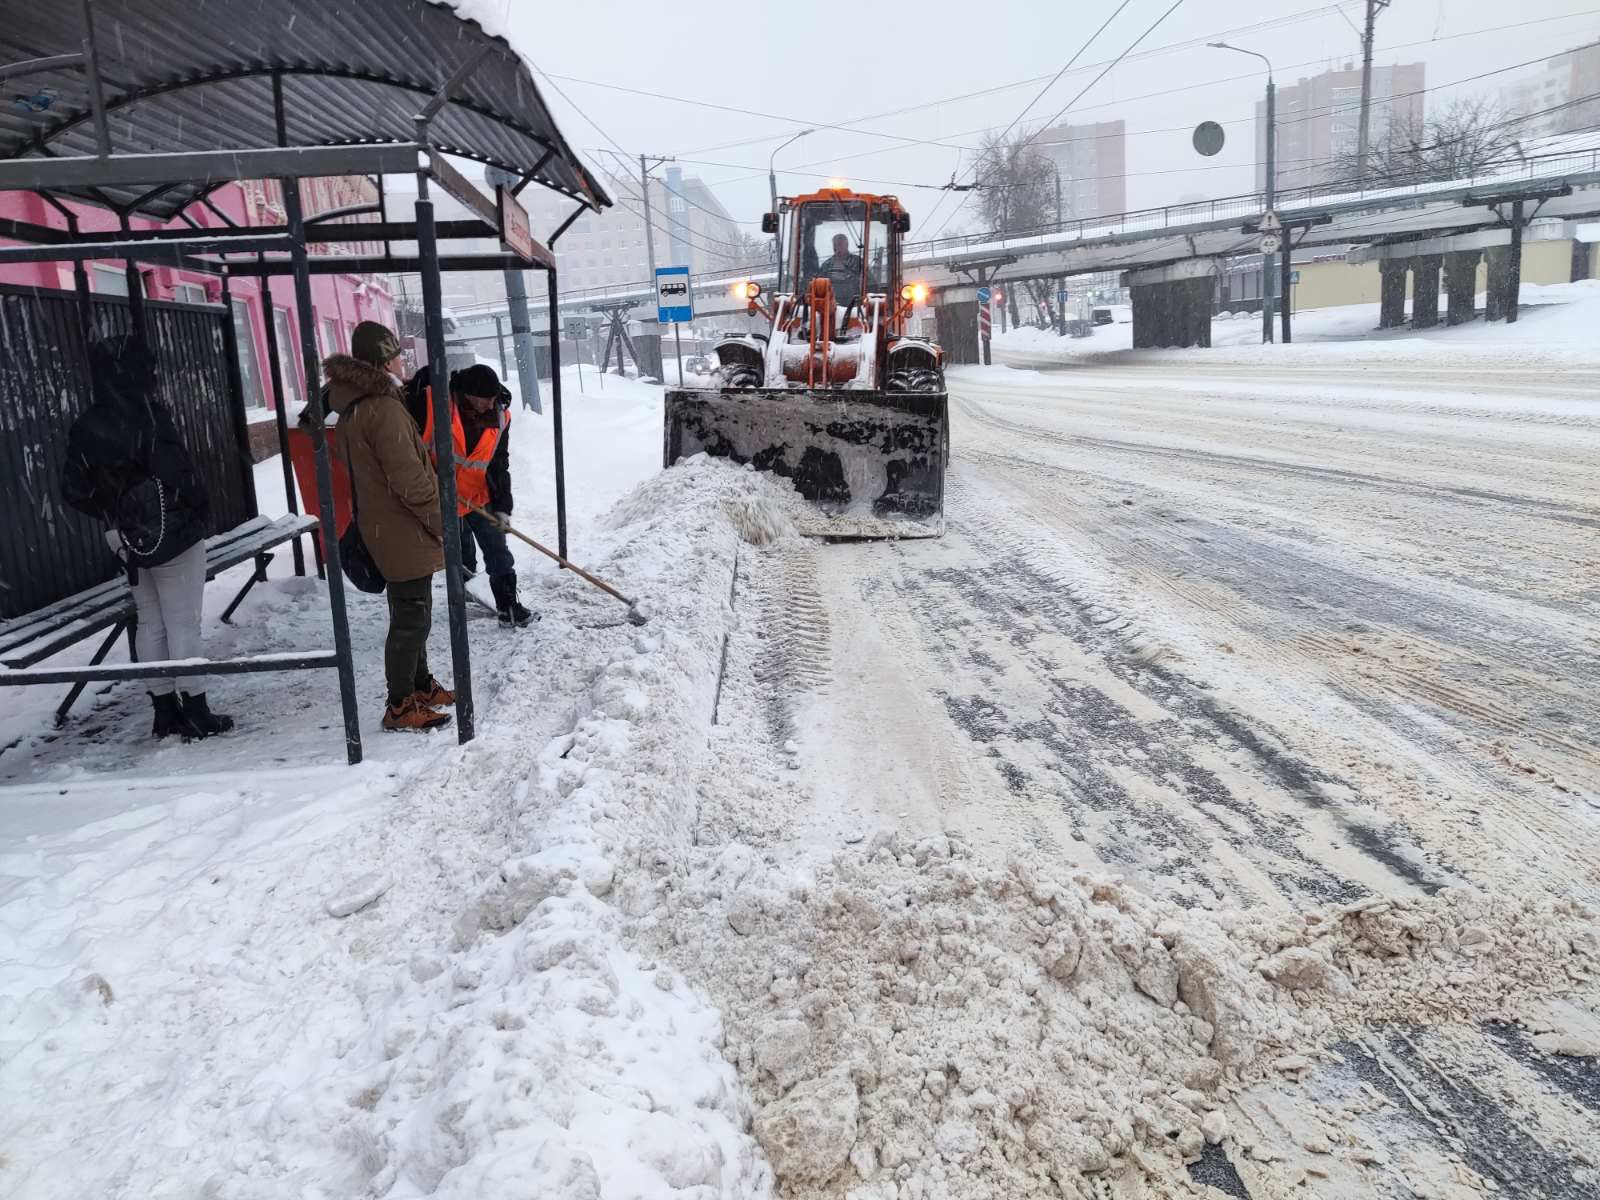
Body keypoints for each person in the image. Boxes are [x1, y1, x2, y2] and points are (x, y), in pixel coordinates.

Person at [62, 334, 233, 741]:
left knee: (150, 621)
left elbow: (72, 489)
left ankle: (163, 711)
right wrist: (197, 508)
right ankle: (196, 710)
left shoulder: (87, 424)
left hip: (123, 536)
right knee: (182, 622)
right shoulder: (148, 417)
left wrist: (115, 511)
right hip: (172, 531)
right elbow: (178, 475)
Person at [324, 321, 454, 733]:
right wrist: (442, 521)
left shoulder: (357, 407)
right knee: (411, 619)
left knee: (412, 610)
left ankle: (419, 685)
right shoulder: (381, 408)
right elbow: (410, 480)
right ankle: (400, 705)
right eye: (397, 353)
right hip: (401, 528)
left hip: (387, 525)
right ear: (383, 360)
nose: (403, 359)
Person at [404, 363, 534, 628]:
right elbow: (406, 445)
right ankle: (463, 598)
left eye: (493, 398)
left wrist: (502, 506)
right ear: (467, 394)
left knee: (498, 551)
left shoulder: (500, 417)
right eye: (484, 400)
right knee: (459, 555)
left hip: (478, 497)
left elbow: (499, 463)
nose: (489, 405)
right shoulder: (435, 405)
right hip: (442, 499)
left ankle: (509, 606)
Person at [815, 232, 863, 297]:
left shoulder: (858, 261)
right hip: (830, 301)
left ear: (847, 245)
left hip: (854, 302)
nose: (837, 247)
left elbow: (869, 282)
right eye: (835, 245)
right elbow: (819, 284)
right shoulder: (826, 264)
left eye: (840, 245)